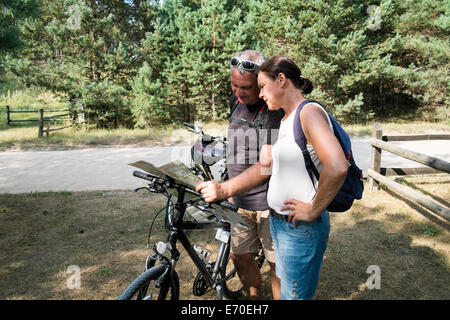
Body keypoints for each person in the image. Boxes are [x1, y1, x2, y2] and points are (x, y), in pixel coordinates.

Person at [197, 55, 348, 300]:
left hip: (297, 226)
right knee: (285, 285)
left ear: (281, 80)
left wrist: (313, 210)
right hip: (280, 220)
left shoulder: (306, 112)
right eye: (234, 86)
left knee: (292, 292)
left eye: (259, 87)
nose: (241, 93)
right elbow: (269, 161)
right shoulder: (288, 115)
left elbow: (338, 166)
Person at [202, 50, 283, 300]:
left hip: (269, 204)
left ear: (260, 82)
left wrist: (225, 189)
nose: (238, 92)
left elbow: (266, 165)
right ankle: (254, 298)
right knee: (239, 256)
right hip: (241, 202)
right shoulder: (235, 101)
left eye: (245, 87)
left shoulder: (273, 109)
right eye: (234, 85)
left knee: (276, 264)